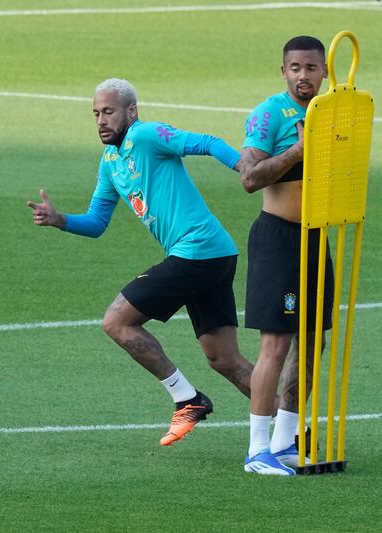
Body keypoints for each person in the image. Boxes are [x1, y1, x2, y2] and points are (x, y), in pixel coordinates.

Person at [28, 78, 261, 447]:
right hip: (213, 255)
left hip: (197, 251)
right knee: (224, 358)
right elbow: (97, 222)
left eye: (108, 111)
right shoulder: (110, 163)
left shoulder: (148, 136)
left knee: (116, 321)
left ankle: (187, 399)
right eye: (96, 114)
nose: (101, 120)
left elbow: (207, 142)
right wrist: (61, 220)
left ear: (130, 112)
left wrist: (243, 169)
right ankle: (292, 427)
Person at [238, 36, 335, 475]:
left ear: (325, 72)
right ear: (283, 72)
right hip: (278, 239)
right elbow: (250, 178)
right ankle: (256, 451)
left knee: (312, 343)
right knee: (275, 344)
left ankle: (284, 441)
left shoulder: (334, 113)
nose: (303, 76)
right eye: (295, 68)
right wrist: (298, 150)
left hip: (316, 238)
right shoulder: (269, 114)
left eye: (311, 68)